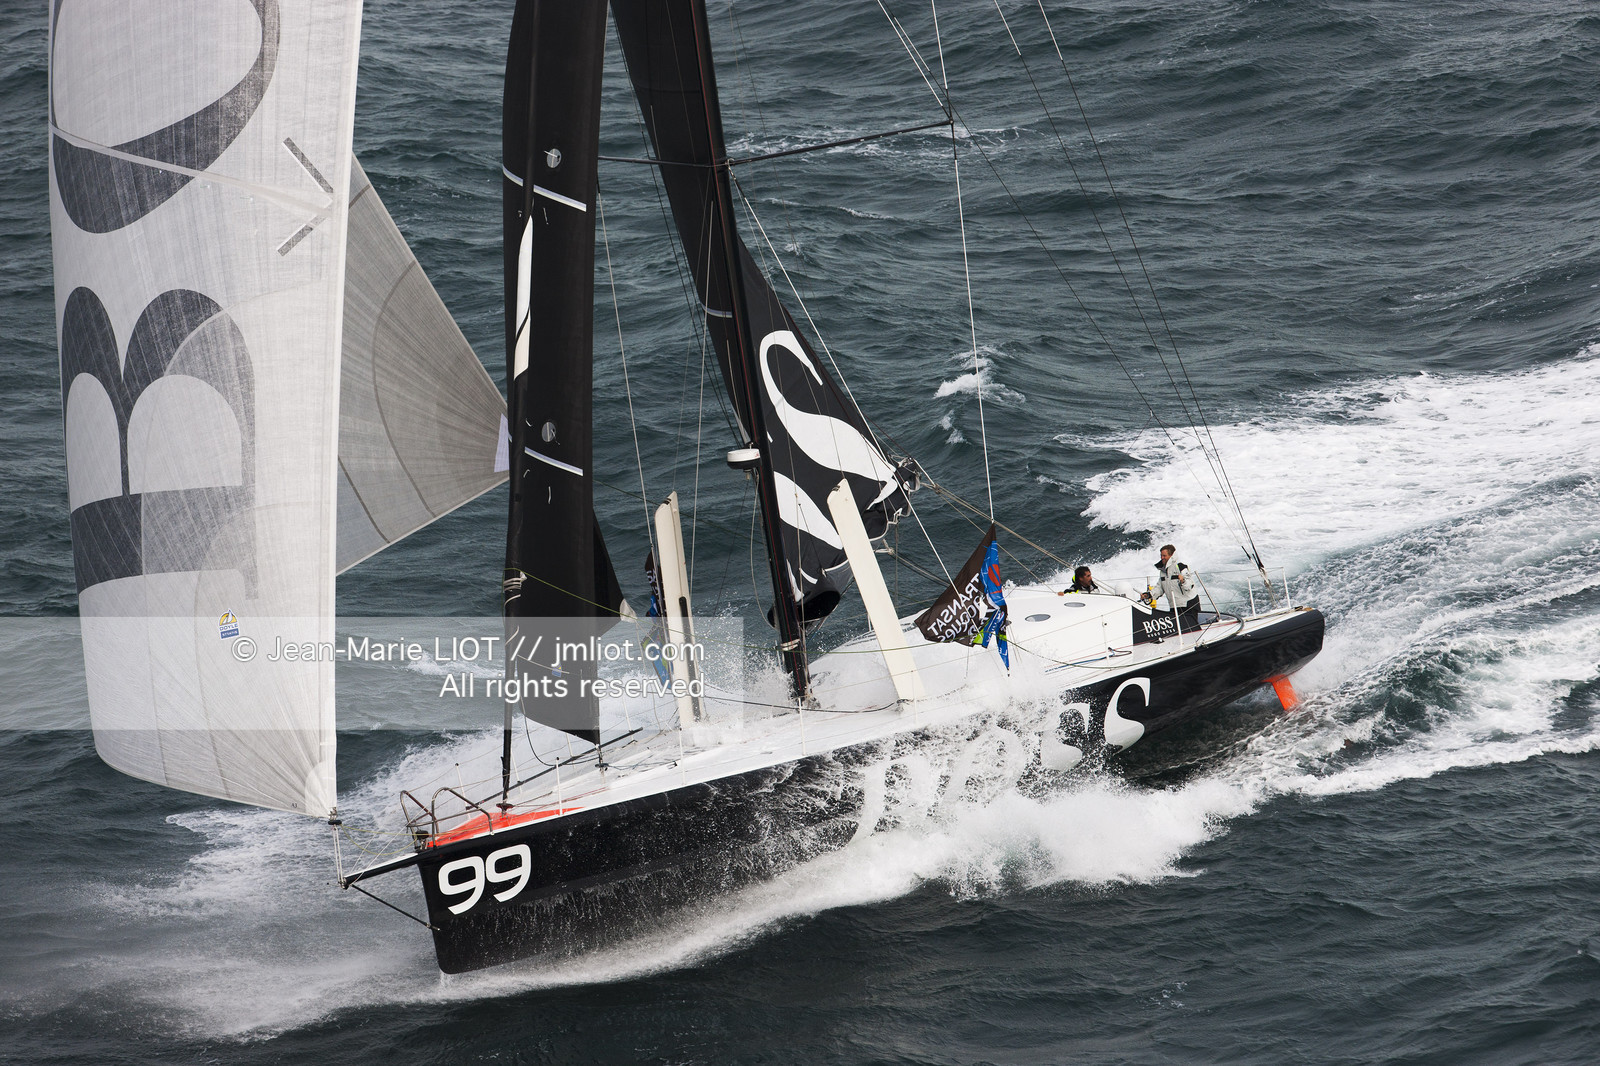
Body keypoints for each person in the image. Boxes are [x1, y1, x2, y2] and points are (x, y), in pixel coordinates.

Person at [1154, 544, 1202, 630]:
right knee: (1178, 631)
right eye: (1161, 555)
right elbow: (1159, 588)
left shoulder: (1180, 567)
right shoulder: (1162, 571)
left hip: (1188, 604)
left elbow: (1189, 585)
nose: (1162, 558)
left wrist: (1182, 581)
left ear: (1171, 555)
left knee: (1191, 631)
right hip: (1175, 606)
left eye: (1164, 555)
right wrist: (1149, 595)